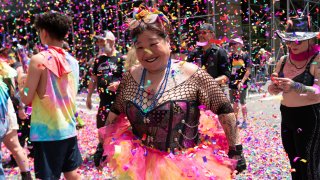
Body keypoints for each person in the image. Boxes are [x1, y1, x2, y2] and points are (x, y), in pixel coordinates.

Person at [98, 5, 246, 179]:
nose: (147, 52)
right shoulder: (130, 76)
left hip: (186, 168)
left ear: (168, 43)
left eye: (153, 44)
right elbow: (116, 110)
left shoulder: (192, 73)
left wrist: (236, 149)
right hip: (139, 168)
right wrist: (102, 146)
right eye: (139, 47)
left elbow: (224, 108)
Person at [18, 12, 82, 179]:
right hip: (69, 129)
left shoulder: (38, 60)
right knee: (71, 173)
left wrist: (21, 84)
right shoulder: (73, 61)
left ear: (44, 33)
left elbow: (26, 97)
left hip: (47, 134)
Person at [269, 16, 320, 179]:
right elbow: (273, 90)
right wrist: (274, 87)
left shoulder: (317, 60)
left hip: (310, 117)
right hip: (287, 116)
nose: (291, 45)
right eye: (289, 41)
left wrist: (295, 86)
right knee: (294, 163)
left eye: (297, 41)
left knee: (309, 164)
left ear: (310, 40)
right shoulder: (283, 60)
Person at [86, 30, 125, 167]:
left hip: (119, 102)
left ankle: (119, 154)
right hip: (104, 102)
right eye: (99, 41)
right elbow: (93, 79)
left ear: (112, 41)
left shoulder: (122, 59)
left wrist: (119, 84)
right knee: (101, 126)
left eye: (103, 40)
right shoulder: (98, 60)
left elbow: (130, 79)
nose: (100, 44)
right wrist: (89, 96)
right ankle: (102, 149)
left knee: (119, 128)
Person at [0, 45, 32, 179]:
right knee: (16, 146)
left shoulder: (13, 66)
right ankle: (27, 176)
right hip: (8, 109)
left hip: (7, 109)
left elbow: (20, 86)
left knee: (16, 146)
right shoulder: (5, 66)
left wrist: (21, 106)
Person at [228, 38, 251, 129]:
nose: (233, 46)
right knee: (234, 103)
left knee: (243, 102)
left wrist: (242, 82)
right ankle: (236, 120)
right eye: (232, 44)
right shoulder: (230, 57)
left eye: (236, 44)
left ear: (241, 45)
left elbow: (248, 70)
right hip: (233, 83)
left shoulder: (245, 56)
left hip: (242, 83)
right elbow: (229, 70)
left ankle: (245, 121)